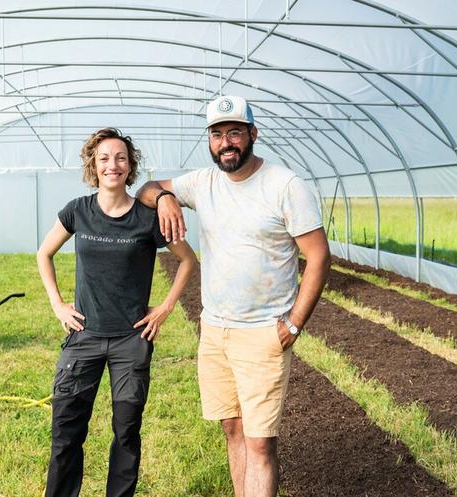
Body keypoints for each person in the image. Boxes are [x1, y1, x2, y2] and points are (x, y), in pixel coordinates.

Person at [136, 96, 330, 497]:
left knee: (260, 442)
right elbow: (145, 189)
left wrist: (294, 323)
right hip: (216, 329)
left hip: (263, 332)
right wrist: (166, 198)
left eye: (235, 132)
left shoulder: (284, 185)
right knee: (233, 428)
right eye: (217, 134)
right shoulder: (202, 183)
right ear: (210, 140)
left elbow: (318, 256)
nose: (226, 142)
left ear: (253, 134)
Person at [37, 127, 197, 497]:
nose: (113, 165)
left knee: (126, 432)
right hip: (84, 338)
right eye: (105, 158)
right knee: (66, 433)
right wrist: (57, 304)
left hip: (131, 341)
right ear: (93, 164)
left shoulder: (147, 217)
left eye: (121, 158)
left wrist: (166, 307)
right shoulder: (78, 210)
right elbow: (43, 253)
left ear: (130, 165)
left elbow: (188, 261)